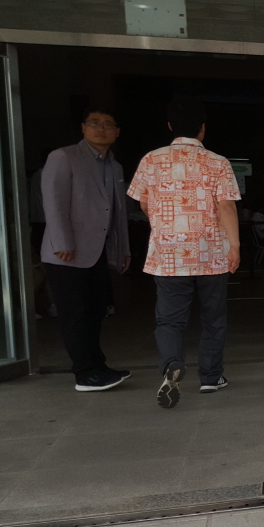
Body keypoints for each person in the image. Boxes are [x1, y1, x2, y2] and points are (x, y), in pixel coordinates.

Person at [128, 97, 241, 409]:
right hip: (211, 253)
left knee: (169, 320)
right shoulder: (218, 162)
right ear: (202, 128)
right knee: (213, 318)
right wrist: (235, 246)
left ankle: (172, 364)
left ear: (169, 126)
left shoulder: (151, 160)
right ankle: (211, 377)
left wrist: (165, 224)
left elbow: (144, 202)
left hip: (169, 255)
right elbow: (226, 206)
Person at [40, 108, 131, 391]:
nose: (101, 129)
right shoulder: (63, 157)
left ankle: (98, 366)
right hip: (67, 252)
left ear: (117, 132)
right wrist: (62, 242)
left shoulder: (115, 167)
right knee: (75, 313)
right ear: (83, 128)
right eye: (94, 123)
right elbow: (53, 202)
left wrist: (122, 249)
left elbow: (117, 213)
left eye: (108, 124)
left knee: (95, 311)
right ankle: (84, 373)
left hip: (98, 251)